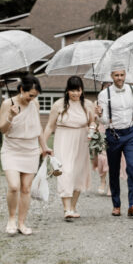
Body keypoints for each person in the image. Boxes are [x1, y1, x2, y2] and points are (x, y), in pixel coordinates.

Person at [41, 76, 96, 221]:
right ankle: (66, 209)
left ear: (82, 90)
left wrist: (92, 128)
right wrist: (42, 144)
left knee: (78, 172)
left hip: (81, 140)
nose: (75, 93)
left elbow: (93, 123)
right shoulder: (59, 105)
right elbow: (50, 126)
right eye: (72, 90)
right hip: (63, 139)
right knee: (65, 171)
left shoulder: (88, 105)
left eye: (78, 90)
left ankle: (73, 206)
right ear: (67, 91)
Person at [0, 75, 48, 236]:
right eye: (30, 95)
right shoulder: (7, 104)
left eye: (35, 96)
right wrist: (11, 116)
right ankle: (11, 219)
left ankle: (21, 223)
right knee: (14, 186)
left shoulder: (35, 104)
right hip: (12, 148)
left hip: (31, 150)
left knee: (26, 189)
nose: (32, 98)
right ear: (21, 89)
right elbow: (2, 129)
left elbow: (38, 126)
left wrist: (44, 146)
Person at [96, 68, 133, 218]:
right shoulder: (104, 94)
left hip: (131, 133)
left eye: (122, 75)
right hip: (113, 134)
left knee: (132, 167)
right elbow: (104, 121)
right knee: (114, 170)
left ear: (125, 75)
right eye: (116, 75)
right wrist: (100, 115)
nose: (119, 78)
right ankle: (116, 205)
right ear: (111, 76)